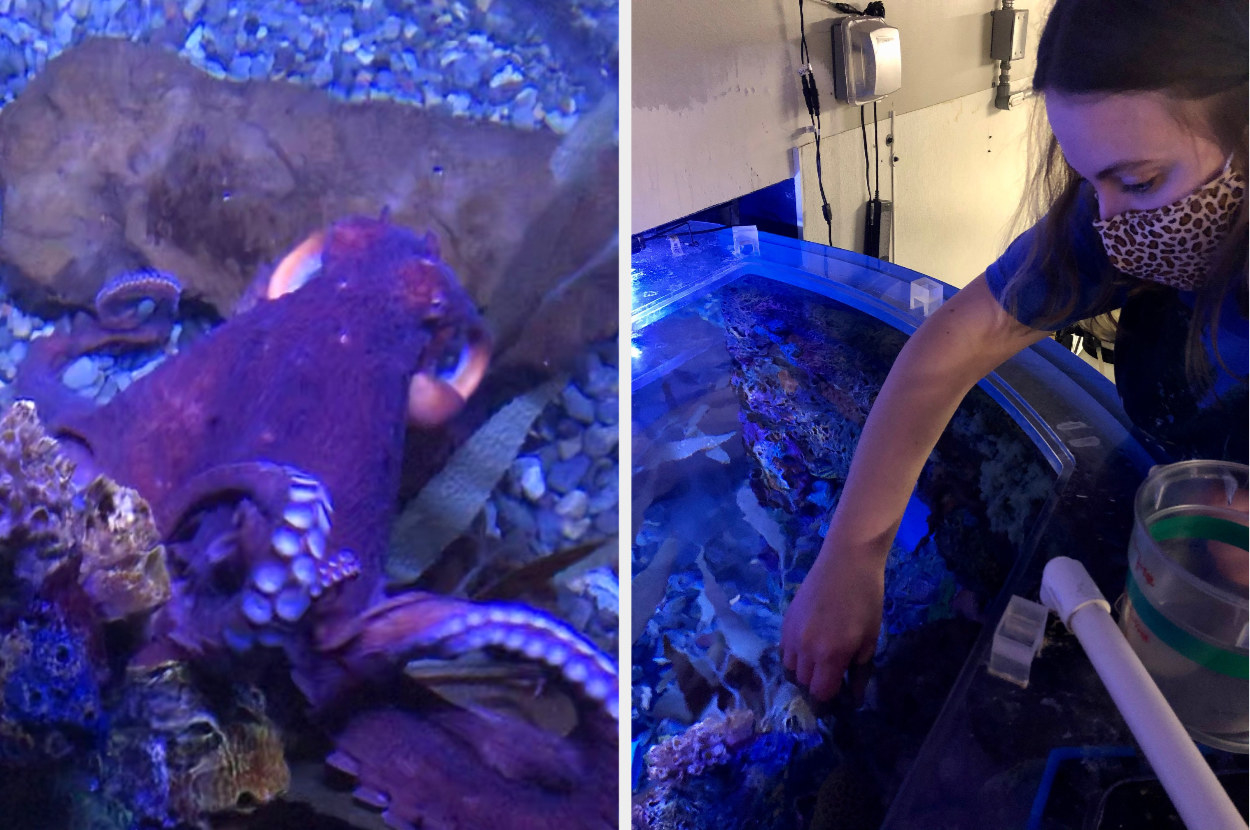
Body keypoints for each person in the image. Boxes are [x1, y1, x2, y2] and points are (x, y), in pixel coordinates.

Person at [780, 0, 1248, 702]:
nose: (1110, 224)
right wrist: (852, 552)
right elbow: (951, 347)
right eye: (1092, 182)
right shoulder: (1131, 223)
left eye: (1140, 181)